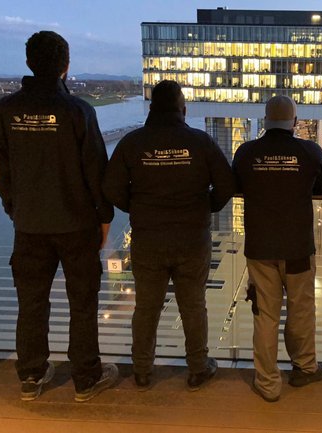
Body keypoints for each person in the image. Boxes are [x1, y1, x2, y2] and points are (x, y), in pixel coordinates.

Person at [0, 31, 118, 402]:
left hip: (29, 226)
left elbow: (1, 171)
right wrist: (104, 217)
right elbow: (96, 171)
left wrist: (16, 209)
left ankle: (31, 374)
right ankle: (86, 377)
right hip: (77, 225)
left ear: (29, 62)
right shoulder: (78, 111)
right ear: (66, 66)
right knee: (83, 303)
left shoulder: (5, 111)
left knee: (31, 303)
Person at [102, 80, 234, 392]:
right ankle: (198, 368)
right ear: (183, 110)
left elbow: (110, 187)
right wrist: (206, 206)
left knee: (146, 307)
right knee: (193, 306)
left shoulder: (133, 143)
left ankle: (142, 370)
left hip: (149, 239)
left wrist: (137, 206)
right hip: (192, 238)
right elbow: (227, 184)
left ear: (151, 109)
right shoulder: (200, 142)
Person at [232, 95, 322, 402]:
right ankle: (305, 367)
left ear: (265, 120)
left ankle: (267, 383)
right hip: (298, 246)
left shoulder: (246, 152)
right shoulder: (310, 151)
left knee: (265, 315)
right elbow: (321, 187)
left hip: (261, 247)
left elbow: (236, 185)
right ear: (295, 122)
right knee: (301, 310)